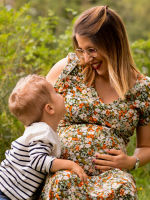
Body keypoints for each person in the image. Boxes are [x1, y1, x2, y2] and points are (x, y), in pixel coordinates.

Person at [39, 5, 150, 199]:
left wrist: (131, 161)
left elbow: (146, 147)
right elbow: (34, 112)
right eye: (82, 50)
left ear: (113, 43)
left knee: (123, 187)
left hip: (112, 178)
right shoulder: (69, 68)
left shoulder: (142, 89)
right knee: (62, 182)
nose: (87, 58)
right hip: (64, 170)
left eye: (92, 50)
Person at [0, 74, 87, 200]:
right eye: (56, 92)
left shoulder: (40, 129)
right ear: (50, 108)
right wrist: (71, 165)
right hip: (6, 192)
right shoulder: (43, 131)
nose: (60, 93)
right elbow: (39, 161)